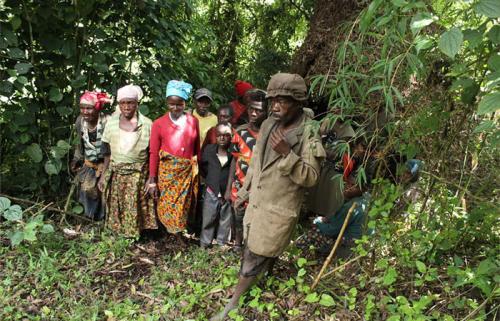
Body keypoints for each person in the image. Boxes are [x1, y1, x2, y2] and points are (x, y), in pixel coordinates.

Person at [211, 73, 325, 320]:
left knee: (254, 254)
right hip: (258, 203)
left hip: (280, 207)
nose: (274, 106)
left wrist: (287, 154)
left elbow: (312, 177)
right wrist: (244, 190)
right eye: (272, 100)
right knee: (255, 245)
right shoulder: (268, 124)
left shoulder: (308, 132)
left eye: (281, 101)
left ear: (297, 102)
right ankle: (265, 277)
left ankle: (233, 303)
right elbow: (255, 164)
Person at [97, 85, 158, 238]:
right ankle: (119, 234)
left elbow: (153, 153)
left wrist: (151, 179)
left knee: (135, 205)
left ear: (137, 104)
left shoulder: (148, 124)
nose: (126, 107)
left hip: (139, 174)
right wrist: (104, 174)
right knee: (117, 204)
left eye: (130, 103)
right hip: (117, 171)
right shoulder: (111, 123)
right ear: (119, 104)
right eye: (123, 103)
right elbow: (106, 152)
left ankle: (135, 235)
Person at [146, 80, 200, 245]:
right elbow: (154, 152)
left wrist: (199, 170)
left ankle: (177, 233)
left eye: (179, 104)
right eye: (172, 104)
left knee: (183, 203)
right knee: (167, 203)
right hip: (167, 172)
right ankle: (171, 234)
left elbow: (197, 148)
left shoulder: (193, 121)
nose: (175, 108)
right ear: (167, 103)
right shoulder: (159, 124)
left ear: (185, 103)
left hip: (186, 171)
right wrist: (152, 179)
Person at [226, 89, 268, 249]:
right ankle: (237, 244)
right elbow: (234, 160)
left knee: (256, 218)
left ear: (266, 112)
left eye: (259, 110)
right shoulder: (240, 132)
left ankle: (252, 246)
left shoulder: (269, 134)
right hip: (239, 185)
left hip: (259, 186)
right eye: (251, 109)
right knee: (237, 215)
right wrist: (230, 187)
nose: (254, 113)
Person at [71, 91, 112, 220]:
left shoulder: (107, 122)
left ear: (97, 108)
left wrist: (105, 172)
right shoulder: (80, 122)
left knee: (105, 191)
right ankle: (88, 219)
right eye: (82, 108)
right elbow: (80, 143)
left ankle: (105, 220)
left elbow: (111, 150)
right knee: (86, 190)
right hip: (89, 162)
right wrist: (76, 159)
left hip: (107, 162)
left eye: (89, 108)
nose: (85, 111)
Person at [199, 123, 233, 248]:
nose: (222, 138)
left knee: (225, 218)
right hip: (211, 189)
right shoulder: (209, 150)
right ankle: (205, 243)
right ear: (215, 136)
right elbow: (203, 167)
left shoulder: (234, 153)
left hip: (228, 191)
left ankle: (221, 243)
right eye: (219, 135)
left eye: (226, 135)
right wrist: (210, 180)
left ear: (231, 136)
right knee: (208, 217)